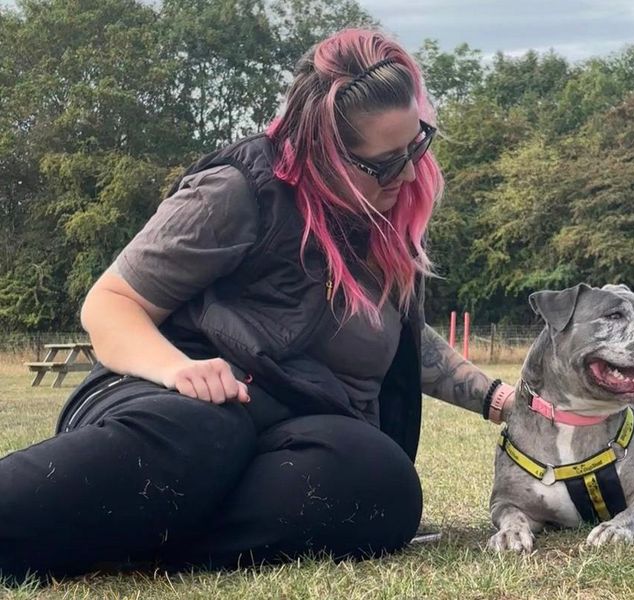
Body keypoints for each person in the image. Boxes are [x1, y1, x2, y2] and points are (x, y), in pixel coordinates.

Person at [0, 28, 516, 583]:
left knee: (378, 474)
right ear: (327, 152)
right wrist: (178, 369)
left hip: (296, 431)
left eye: (418, 145)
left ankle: (141, 539)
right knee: (210, 432)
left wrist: (497, 398)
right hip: (174, 401)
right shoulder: (238, 188)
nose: (411, 173)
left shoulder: (382, 222)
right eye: (387, 162)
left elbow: (400, 340)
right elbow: (110, 305)